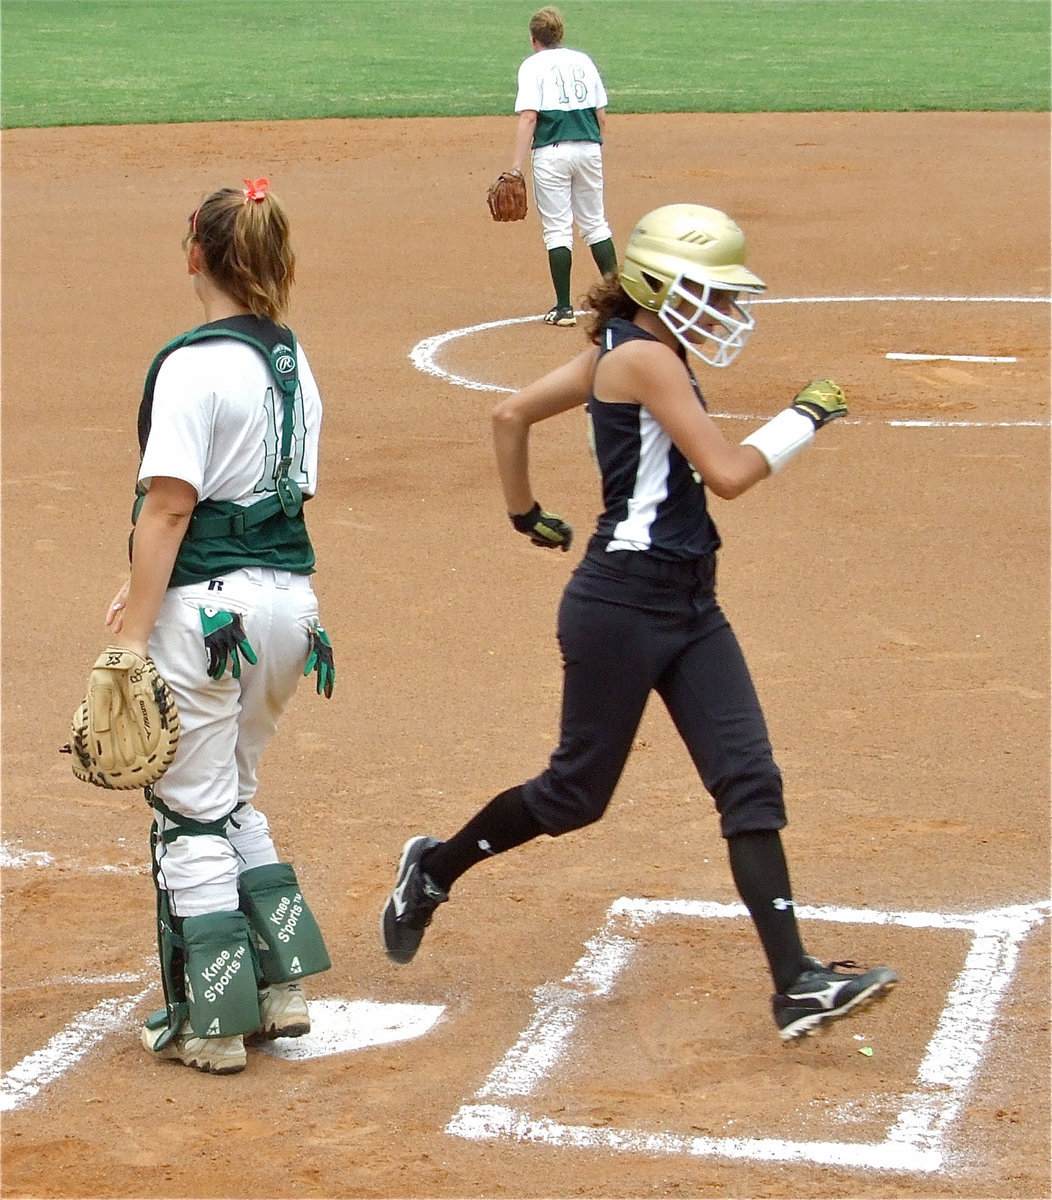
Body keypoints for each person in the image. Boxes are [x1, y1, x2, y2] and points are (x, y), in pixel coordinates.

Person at [381, 203, 898, 1041]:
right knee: (574, 795)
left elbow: (507, 414)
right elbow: (727, 473)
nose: (726, 311)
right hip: (622, 606)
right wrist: (805, 416)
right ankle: (432, 872)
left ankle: (795, 982)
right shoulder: (649, 358)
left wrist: (525, 513)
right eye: (711, 293)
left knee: (748, 780)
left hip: (690, 601)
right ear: (660, 286)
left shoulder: (617, 349)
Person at [105, 178, 334, 1075]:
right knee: (233, 793)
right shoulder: (292, 360)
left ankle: (211, 1024)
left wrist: (132, 629)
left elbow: (168, 510)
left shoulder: (195, 363)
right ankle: (282, 989)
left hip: (209, 614)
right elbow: (286, 495)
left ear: (195, 253)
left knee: (188, 810)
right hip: (289, 611)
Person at [508, 5, 618, 328]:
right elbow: (600, 113)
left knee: (558, 229)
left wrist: (515, 168)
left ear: (533, 39)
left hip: (552, 153)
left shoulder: (532, 66)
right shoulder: (583, 61)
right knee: (596, 225)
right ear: (560, 35)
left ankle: (563, 308)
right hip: (589, 147)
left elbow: (529, 116)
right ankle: (620, 303)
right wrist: (595, 150)